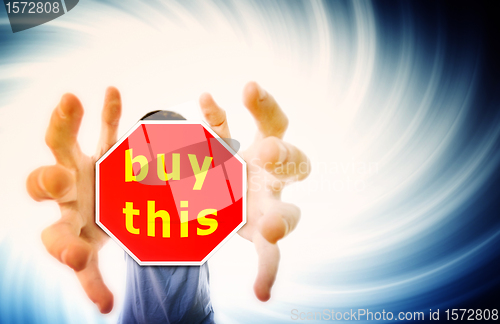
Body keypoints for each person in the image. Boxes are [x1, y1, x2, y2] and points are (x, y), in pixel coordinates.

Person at [26, 82, 311, 323]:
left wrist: (238, 180)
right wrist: (101, 191)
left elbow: (231, 191)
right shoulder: (122, 204)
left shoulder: (204, 197)